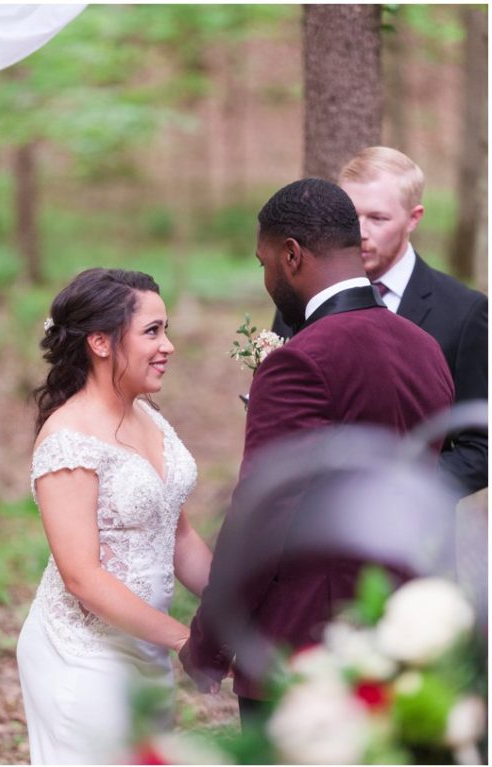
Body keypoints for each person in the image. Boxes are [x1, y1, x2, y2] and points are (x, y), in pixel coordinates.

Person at [180, 179, 455, 723]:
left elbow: (264, 513)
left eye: (264, 263)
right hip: (396, 637)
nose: (265, 279)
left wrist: (210, 643)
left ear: (291, 255)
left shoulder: (301, 360)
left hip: (304, 650)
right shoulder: (424, 348)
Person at [16, 268, 213, 764]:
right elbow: (82, 576)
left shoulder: (148, 415)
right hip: (83, 656)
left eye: (165, 329)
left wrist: (235, 607)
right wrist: (187, 640)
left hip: (146, 645)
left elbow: (180, 534)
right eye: (152, 331)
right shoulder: (69, 439)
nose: (167, 345)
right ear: (100, 343)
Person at [271, 147, 487, 495]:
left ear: (414, 218)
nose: (360, 232)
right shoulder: (300, 299)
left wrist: (403, 492)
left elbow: (481, 447)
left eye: (378, 218)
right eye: (351, 216)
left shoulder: (465, 312)